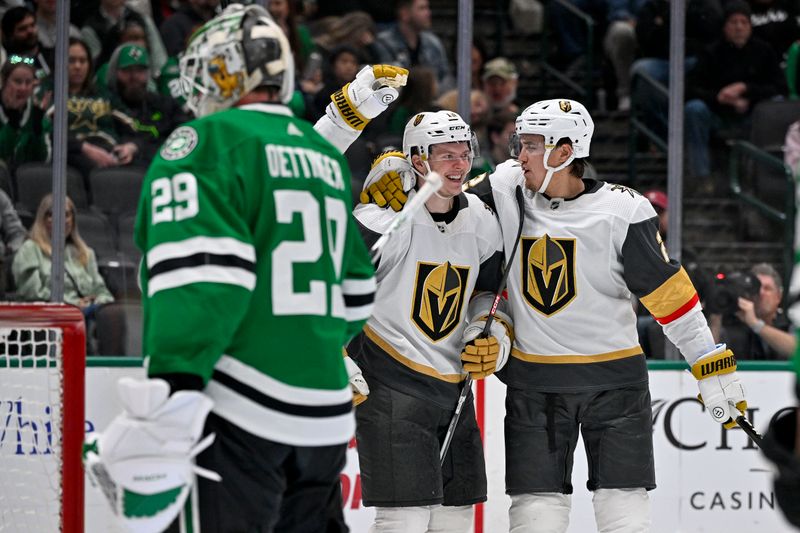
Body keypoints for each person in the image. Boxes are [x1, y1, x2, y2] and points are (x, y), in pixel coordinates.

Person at [91, 4, 408, 531]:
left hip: (236, 413)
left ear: (229, 72)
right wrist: (310, 351)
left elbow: (199, 282)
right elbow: (354, 292)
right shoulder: (322, 156)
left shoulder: (201, 144)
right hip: (324, 420)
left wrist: (173, 395)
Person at [349, 109, 507, 532]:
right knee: (404, 518)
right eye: (446, 155)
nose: (459, 164)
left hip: (454, 387)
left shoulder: (483, 220)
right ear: (417, 160)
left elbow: (488, 294)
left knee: (455, 517)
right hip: (389, 382)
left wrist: (486, 330)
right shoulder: (379, 221)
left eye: (464, 153)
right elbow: (326, 292)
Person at [12, 193, 114, 314]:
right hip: (49, 316)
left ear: (73, 219)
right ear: (42, 219)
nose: (60, 220)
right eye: (52, 215)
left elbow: (103, 293)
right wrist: (73, 304)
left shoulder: (85, 253)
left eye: (66, 215)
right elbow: (31, 293)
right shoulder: (30, 249)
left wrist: (96, 301)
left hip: (86, 314)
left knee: (112, 313)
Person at [104, 43, 190, 164]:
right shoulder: (105, 104)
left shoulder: (165, 105)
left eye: (140, 70)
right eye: (127, 70)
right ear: (115, 73)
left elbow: (184, 137)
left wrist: (138, 147)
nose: (134, 77)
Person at [709, 263, 796, 360]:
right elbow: (709, 362)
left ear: (779, 296)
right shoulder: (730, 325)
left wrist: (755, 324)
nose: (761, 293)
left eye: (767, 288)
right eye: (757, 288)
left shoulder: (791, 323)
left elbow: (797, 350)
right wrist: (715, 320)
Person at [373, 0, 453, 93]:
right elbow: (387, 81)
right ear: (404, 14)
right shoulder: (383, 42)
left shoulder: (433, 43)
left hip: (431, 101)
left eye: (428, 8)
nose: (428, 13)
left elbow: (445, 78)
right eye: (422, 8)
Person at [0, 55, 51, 172]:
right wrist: (12, 124)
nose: (23, 88)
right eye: (17, 81)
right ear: (3, 80)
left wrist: (38, 129)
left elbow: (43, 160)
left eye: (28, 82)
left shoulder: (37, 113)